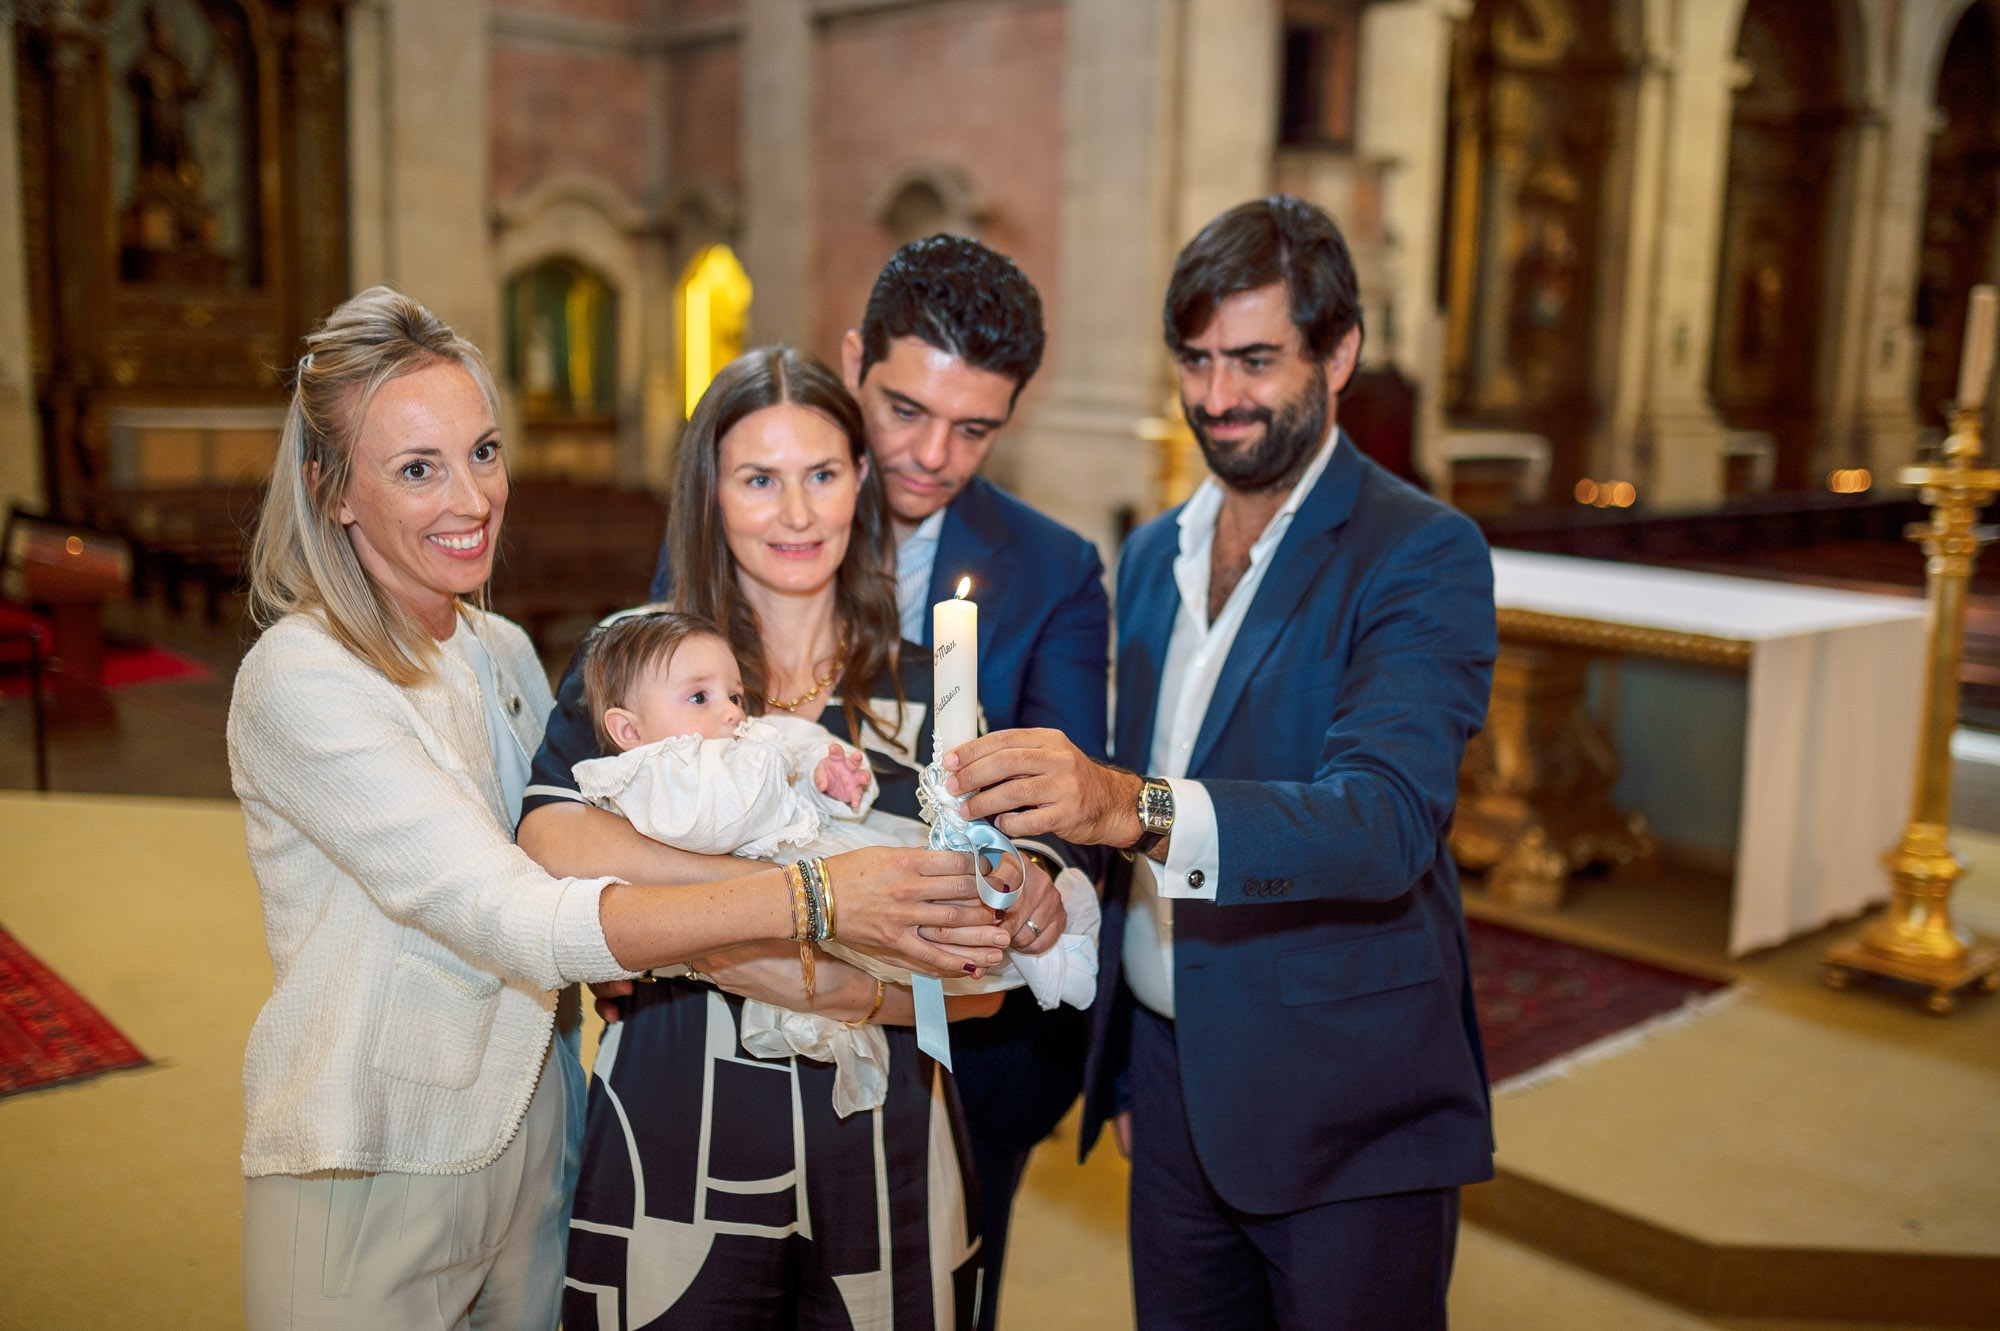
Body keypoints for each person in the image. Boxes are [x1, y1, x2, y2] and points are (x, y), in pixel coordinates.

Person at [228, 289, 1009, 1331]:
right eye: (418, 467)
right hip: (387, 1141)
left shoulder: (497, 651)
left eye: (484, 452)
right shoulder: (316, 677)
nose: (470, 497)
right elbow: (532, 884)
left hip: (544, 1127)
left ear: (859, 485)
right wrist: (816, 901)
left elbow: (975, 951)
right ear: (331, 488)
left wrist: (883, 954)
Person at [524, 235, 1111, 1324]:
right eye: (758, 479)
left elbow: (978, 955)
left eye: (821, 476)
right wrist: (794, 919)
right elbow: (549, 839)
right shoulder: (660, 659)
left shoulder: (934, 690)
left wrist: (835, 979)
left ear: (855, 488)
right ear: (716, 486)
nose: (794, 513)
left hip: (885, 1125)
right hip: (674, 1116)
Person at [945, 196, 1499, 1329]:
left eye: (1254, 358)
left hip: (1351, 1107)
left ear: (1337, 352)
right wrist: (1135, 1056)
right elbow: (1134, 828)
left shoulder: (1421, 552)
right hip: (1175, 1086)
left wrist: (1122, 803)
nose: (1215, 396)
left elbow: (1383, 817)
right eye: (1193, 361)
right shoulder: (1151, 553)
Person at [569, 609, 1100, 1111]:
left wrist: (829, 776)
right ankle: (1033, 964)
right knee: (918, 940)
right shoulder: (638, 781)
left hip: (823, 860)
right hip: (761, 928)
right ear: (629, 732)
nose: (731, 710)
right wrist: (772, 762)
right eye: (700, 698)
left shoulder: (751, 739)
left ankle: (1043, 957)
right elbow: (705, 827)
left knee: (940, 907)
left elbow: (801, 762)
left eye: (734, 693)